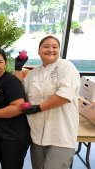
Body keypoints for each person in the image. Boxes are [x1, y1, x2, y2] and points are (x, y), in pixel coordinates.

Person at [14, 36, 81, 169]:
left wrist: (39, 108)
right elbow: (18, 91)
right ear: (38, 51)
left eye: (54, 47)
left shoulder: (66, 67)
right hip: (37, 133)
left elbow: (65, 95)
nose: (50, 49)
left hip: (61, 133)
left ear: (59, 50)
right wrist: (18, 68)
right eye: (46, 46)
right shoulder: (34, 73)